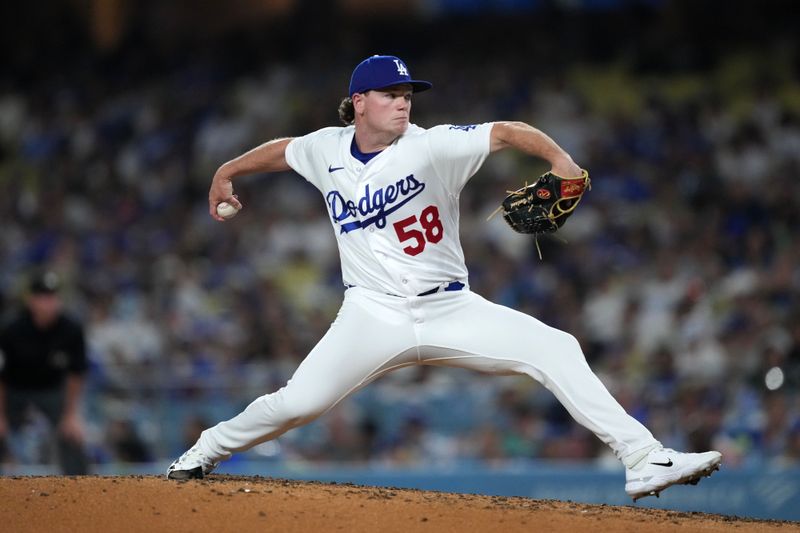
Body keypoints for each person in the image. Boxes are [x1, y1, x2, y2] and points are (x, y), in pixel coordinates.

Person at [167, 55, 721, 500]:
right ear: (358, 103)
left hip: (451, 309)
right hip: (371, 313)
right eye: (391, 94)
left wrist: (562, 162)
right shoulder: (326, 149)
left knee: (556, 346)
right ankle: (205, 449)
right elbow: (283, 152)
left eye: (408, 95)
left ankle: (643, 458)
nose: (403, 103)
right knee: (297, 404)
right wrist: (226, 171)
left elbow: (506, 131)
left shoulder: (433, 146)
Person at [0, 270, 89, 474]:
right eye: (43, 297)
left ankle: (82, 487)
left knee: (72, 432)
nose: (49, 302)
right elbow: (1, 376)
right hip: (14, 389)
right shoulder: (11, 329)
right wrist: (0, 415)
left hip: (52, 389)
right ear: (31, 300)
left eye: (53, 297)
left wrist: (71, 414)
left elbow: (77, 373)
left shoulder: (71, 329)